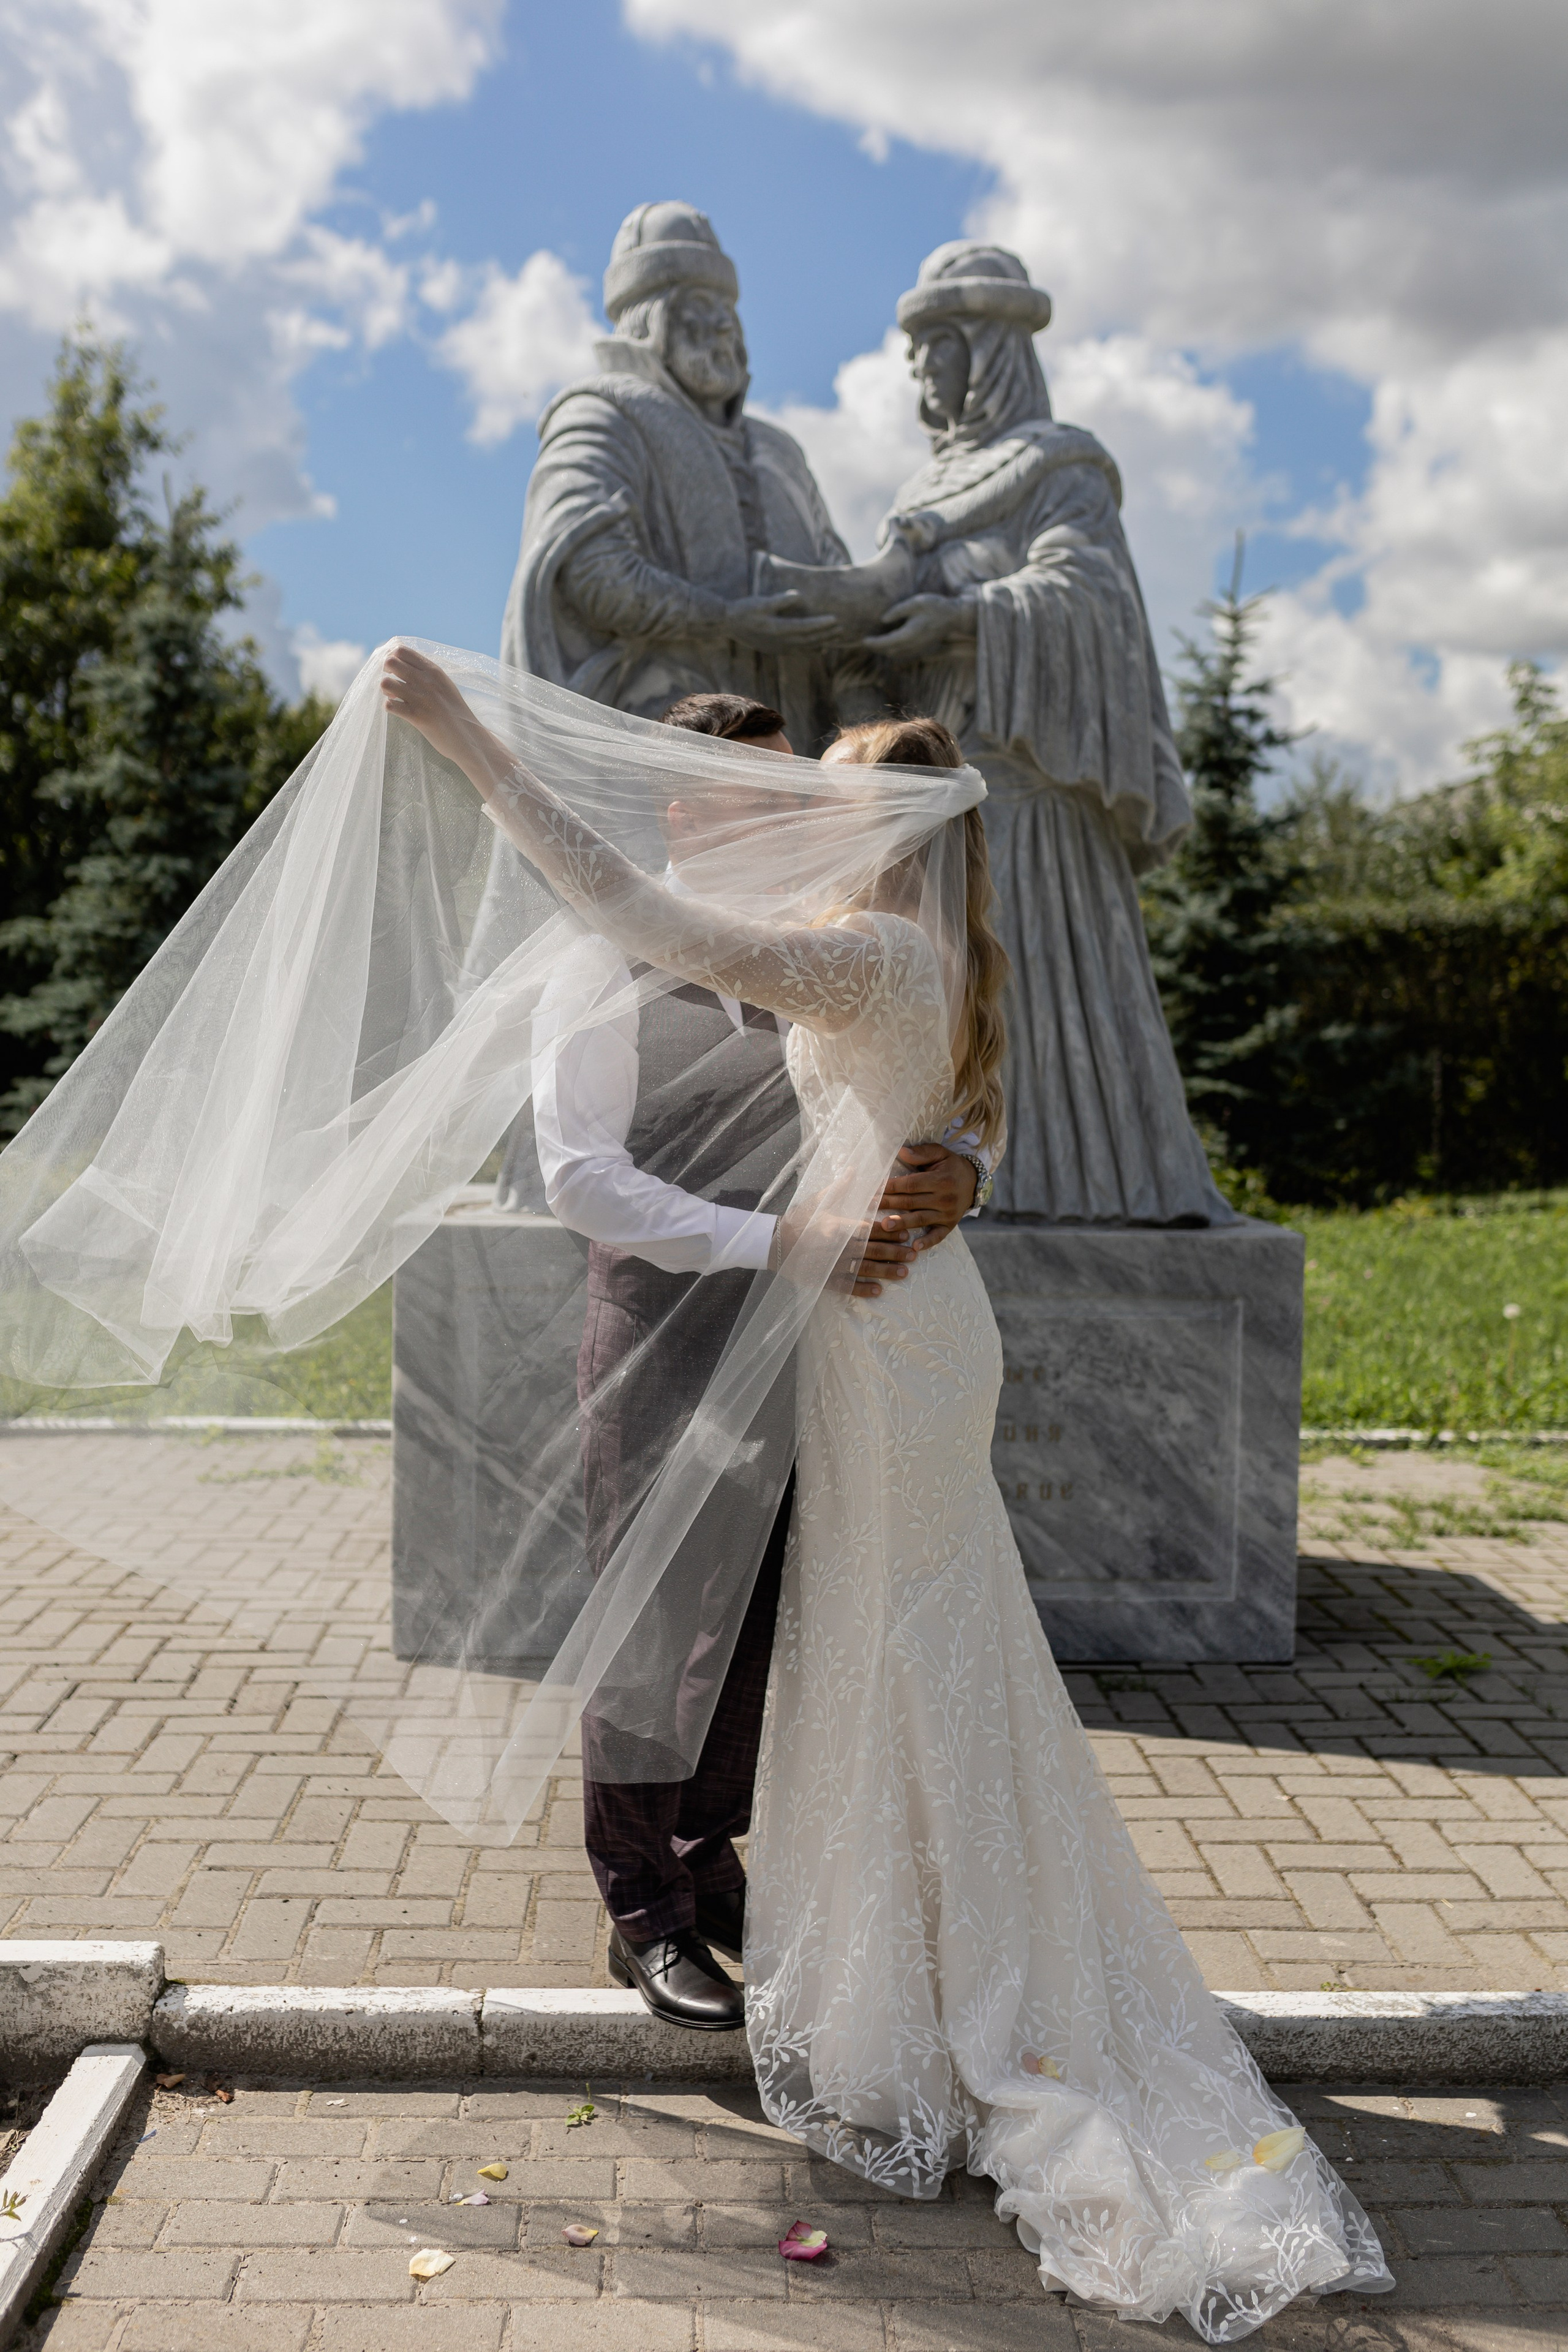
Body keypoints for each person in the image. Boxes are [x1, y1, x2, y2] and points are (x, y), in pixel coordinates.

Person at [379, 644, 1391, 2342]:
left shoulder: (852, 947)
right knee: (882, 1640)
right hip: (821, 1328)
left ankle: (941, 1993)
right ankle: (847, 1944)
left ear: (877, 822)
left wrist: (477, 744)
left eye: (819, 791)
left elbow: (685, 933)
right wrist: (949, 1159)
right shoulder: (920, 945)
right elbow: (820, 1110)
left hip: (871, 1335)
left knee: (890, 1645)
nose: (792, 815)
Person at [533, 687, 990, 2029]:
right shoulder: (599, 956)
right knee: (650, 1624)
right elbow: (580, 1181)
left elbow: (925, 1098)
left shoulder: (830, 942)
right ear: (684, 808)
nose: (799, 818)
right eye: (764, 795)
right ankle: (640, 1911)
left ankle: (704, 1855)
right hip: (664, 1342)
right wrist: (777, 1238)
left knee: (751, 1632)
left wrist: (962, 1177)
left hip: (825, 1347)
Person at [502, 202, 863, 755]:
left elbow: (834, 572)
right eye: (701, 306)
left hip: (793, 754)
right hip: (659, 754)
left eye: (729, 309)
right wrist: (724, 618)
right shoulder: (599, 418)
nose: (724, 325)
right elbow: (589, 572)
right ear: (651, 318)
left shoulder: (780, 451)